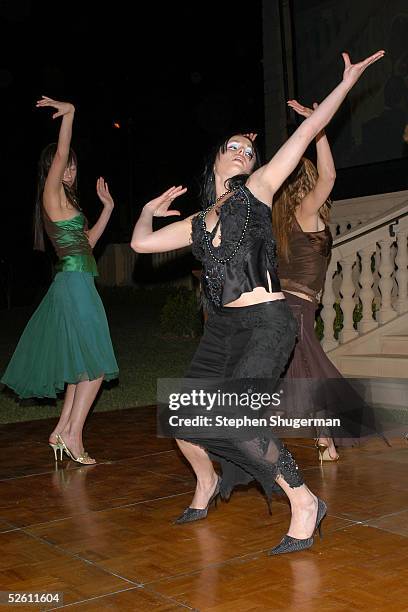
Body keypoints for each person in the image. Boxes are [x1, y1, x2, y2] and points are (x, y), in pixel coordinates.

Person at [131, 51, 384, 555]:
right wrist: (145, 211)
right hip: (224, 330)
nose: (245, 152)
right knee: (183, 417)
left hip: (269, 323)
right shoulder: (198, 222)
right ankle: (205, 483)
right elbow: (140, 245)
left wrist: (345, 83)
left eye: (251, 149)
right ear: (216, 161)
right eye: (236, 147)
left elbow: (309, 129)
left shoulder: (260, 193)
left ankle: (305, 502)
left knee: (240, 422)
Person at [0, 97, 119, 465]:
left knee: (80, 364)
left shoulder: (68, 203)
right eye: (64, 166)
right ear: (52, 168)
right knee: (97, 366)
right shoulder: (50, 193)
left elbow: (90, 243)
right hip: (73, 284)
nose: (69, 171)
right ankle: (74, 436)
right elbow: (62, 148)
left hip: (79, 282)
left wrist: (109, 209)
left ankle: (61, 430)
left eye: (72, 167)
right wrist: (69, 115)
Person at [272, 99, 340, 463]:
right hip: (296, 305)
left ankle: (321, 435)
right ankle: (327, 437)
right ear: (308, 183)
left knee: (300, 368)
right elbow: (330, 177)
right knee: (311, 368)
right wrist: (319, 128)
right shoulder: (305, 210)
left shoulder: (283, 222)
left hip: (291, 303)